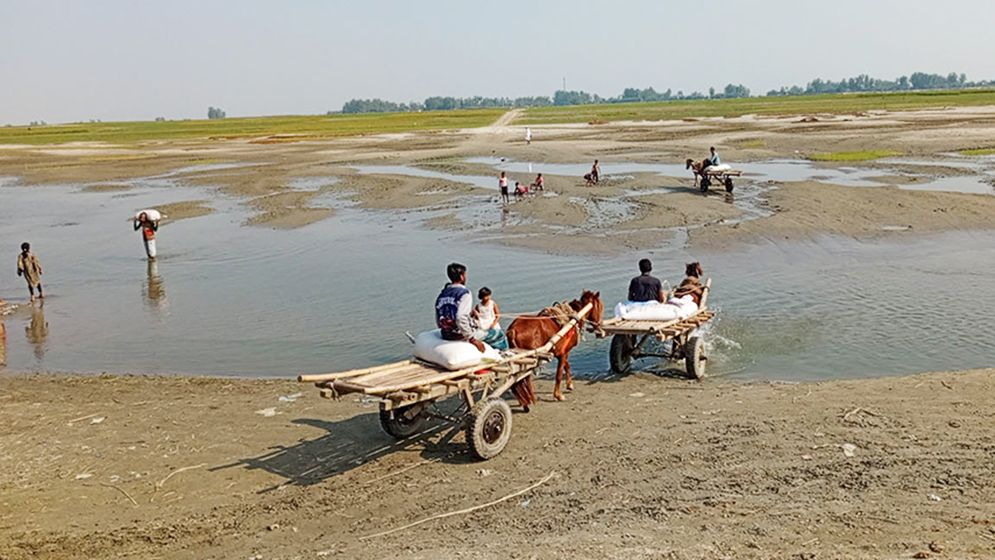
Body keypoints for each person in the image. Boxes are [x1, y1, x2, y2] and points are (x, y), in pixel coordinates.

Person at [435, 263, 485, 352]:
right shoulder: (464, 293)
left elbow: (438, 316)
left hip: (445, 334)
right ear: (462, 277)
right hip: (459, 335)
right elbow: (460, 317)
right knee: (491, 333)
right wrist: (472, 338)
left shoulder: (442, 294)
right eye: (465, 275)